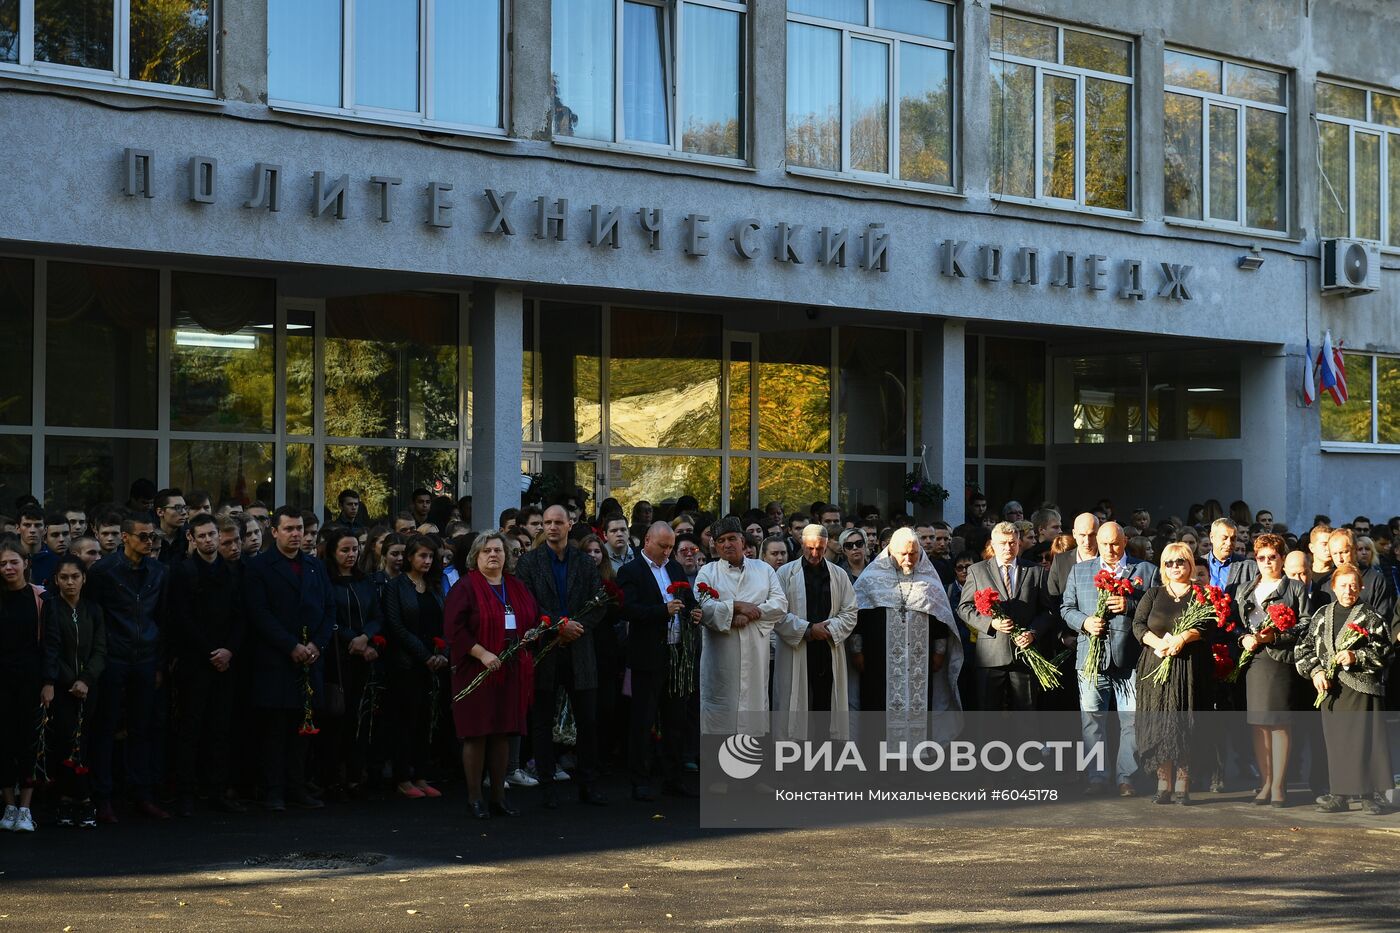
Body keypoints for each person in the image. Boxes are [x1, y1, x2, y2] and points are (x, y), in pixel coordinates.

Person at [242, 506, 335, 811]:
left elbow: (327, 609)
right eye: (290, 529)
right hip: (276, 659)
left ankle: (298, 786)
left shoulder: (314, 566)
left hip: (310, 658)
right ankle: (273, 790)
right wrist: (291, 645)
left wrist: (317, 645)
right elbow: (259, 613)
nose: (296, 535)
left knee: (302, 729)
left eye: (300, 530)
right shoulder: (259, 567)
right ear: (275, 531)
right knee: (275, 730)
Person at [514, 505, 606, 807]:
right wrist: (558, 627)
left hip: (581, 649)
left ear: (570, 524)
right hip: (546, 648)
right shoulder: (529, 562)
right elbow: (527, 604)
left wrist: (576, 628)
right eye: (547, 523)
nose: (551, 527)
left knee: (588, 721)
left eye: (557, 522)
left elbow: (598, 602)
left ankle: (588, 784)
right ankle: (547, 787)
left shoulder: (584, 561)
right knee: (541, 721)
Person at [445, 532, 539, 819]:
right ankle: (475, 798)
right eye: (487, 551)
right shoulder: (465, 587)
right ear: (476, 556)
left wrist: (531, 635)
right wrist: (482, 654)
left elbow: (531, 616)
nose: (493, 555)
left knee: (502, 733)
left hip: (510, 669)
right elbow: (454, 630)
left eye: (498, 550)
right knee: (476, 734)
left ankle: (499, 797)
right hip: (476, 669)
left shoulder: (516, 586)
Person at [1061, 522, 1157, 796]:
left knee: (1132, 720)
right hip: (1091, 657)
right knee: (1092, 720)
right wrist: (1084, 622)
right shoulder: (1080, 571)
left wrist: (1131, 605)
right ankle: (1096, 777)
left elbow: (1159, 610)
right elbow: (1066, 608)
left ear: (1125, 540)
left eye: (1115, 543)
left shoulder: (1146, 571)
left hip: (1129, 657)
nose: (1110, 549)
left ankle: (1126, 776)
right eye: (1104, 544)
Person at [86, 513, 169, 822]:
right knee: (105, 727)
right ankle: (103, 797)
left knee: (142, 728)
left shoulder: (159, 571)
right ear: (125, 537)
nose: (149, 542)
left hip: (146, 657)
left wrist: (159, 662)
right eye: (143, 536)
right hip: (113, 656)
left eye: (153, 537)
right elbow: (95, 616)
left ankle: (141, 794)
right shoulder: (104, 572)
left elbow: (162, 618)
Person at [1296, 565, 1394, 815]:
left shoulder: (1370, 616)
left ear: (1361, 587)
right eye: (1343, 585)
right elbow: (1304, 648)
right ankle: (1339, 794)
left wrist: (1356, 656)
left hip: (1362, 691)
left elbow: (1385, 651)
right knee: (1337, 744)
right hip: (1331, 691)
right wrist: (1315, 672)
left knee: (1365, 743)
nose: (1348, 590)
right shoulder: (1321, 614)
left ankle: (1370, 795)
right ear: (1333, 587)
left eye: (1353, 585)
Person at [166, 513, 245, 817]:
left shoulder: (231, 571)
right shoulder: (183, 572)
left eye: (213, 534)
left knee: (221, 728)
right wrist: (211, 652)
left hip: (226, 662)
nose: (209, 540)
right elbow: (181, 619)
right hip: (196, 663)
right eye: (203, 536)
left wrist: (229, 651)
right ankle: (187, 792)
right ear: (192, 538)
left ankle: (217, 790)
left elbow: (240, 616)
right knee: (191, 728)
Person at [853, 527, 962, 744]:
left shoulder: (929, 579)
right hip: (879, 660)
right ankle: (877, 758)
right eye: (903, 554)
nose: (908, 559)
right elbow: (857, 619)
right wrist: (857, 650)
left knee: (920, 704)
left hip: (919, 661)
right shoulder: (871, 578)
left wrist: (940, 652)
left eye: (913, 554)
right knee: (877, 705)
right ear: (890, 551)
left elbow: (940, 617)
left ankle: (917, 759)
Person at [617, 522, 701, 801]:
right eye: (662, 546)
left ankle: (673, 778)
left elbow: (686, 601)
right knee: (642, 720)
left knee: (675, 719)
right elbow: (628, 609)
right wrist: (661, 610)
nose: (667, 552)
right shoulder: (631, 571)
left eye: (670, 547)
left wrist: (693, 613)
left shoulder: (674, 568)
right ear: (647, 541)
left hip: (676, 654)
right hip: (647, 656)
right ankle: (639, 780)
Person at [1132, 543, 1211, 805]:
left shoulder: (1201, 593)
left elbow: (1209, 624)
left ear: (1190, 564)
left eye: (1180, 562)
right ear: (1163, 567)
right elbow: (1138, 625)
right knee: (1159, 726)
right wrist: (1159, 644)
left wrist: (1184, 638)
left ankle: (1182, 784)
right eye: (1169, 563)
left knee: (1184, 723)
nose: (1175, 567)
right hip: (1156, 665)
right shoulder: (1153, 593)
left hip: (1188, 666)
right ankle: (1163, 783)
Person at [1233, 533, 1307, 807]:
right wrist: (1244, 638)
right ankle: (1264, 782)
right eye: (1261, 557)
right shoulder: (1245, 588)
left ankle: (1278, 786)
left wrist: (1275, 636)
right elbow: (1235, 624)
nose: (1266, 562)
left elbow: (1305, 623)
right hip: (1254, 660)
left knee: (1278, 723)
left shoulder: (1294, 588)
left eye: (1272, 557)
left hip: (1280, 659)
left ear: (1281, 558)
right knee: (1258, 723)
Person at [696, 517, 787, 736]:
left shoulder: (763, 570)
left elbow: (780, 604)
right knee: (720, 715)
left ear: (742, 541)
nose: (727, 544)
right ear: (715, 546)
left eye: (732, 539)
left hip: (756, 651)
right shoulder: (708, 572)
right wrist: (735, 607)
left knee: (753, 713)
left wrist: (749, 615)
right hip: (721, 655)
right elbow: (704, 608)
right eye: (721, 540)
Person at [956, 522, 1053, 713]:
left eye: (1012, 543)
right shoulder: (978, 570)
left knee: (1026, 714)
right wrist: (991, 623)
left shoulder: (1035, 570)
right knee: (988, 714)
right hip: (990, 654)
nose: (1008, 547)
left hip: (1024, 654)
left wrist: (1032, 633)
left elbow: (1047, 611)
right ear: (992, 544)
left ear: (1019, 543)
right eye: (1003, 543)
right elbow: (964, 608)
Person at [773, 524, 858, 739]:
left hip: (828, 646)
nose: (814, 553)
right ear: (802, 544)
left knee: (826, 702)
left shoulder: (839, 575)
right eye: (809, 548)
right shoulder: (785, 573)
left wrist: (828, 630)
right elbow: (777, 612)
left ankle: (824, 752)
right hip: (797, 646)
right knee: (794, 701)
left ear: (827, 545)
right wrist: (809, 629)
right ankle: (793, 753)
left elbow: (850, 611)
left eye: (819, 548)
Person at [40, 554, 106, 828]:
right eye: (64, 577)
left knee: (86, 741)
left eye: (75, 577)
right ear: (56, 580)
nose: (70, 582)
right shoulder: (51, 607)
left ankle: (81, 799)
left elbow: (101, 649)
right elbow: (51, 650)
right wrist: (69, 682)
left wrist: (86, 680)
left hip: (89, 688)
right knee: (66, 741)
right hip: (62, 688)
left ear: (84, 579)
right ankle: (71, 799)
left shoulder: (93, 609)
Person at [380, 535, 448, 799]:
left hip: (432, 665)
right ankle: (402, 777)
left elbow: (444, 622)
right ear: (410, 557)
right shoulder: (396, 586)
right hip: (406, 665)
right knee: (404, 721)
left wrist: (442, 653)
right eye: (422, 556)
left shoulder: (434, 586)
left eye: (431, 557)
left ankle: (421, 774)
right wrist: (424, 655)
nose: (427, 561)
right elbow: (396, 627)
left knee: (425, 722)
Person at [324, 527, 383, 798]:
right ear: (333, 552)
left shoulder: (365, 581)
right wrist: (355, 640)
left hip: (364, 657)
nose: (350, 554)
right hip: (337, 659)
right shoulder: (327, 581)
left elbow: (376, 615)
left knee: (360, 717)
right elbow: (329, 617)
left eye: (354, 549)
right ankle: (331, 773)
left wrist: (366, 637)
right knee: (337, 717)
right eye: (344, 550)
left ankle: (355, 773)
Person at [0, 540, 45, 833]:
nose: (8, 568)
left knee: (30, 742)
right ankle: (9, 805)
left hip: (32, 680)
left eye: (13, 562)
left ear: (26, 563)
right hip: (2, 680)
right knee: (3, 742)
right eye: (3, 563)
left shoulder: (40, 597)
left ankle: (26, 807)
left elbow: (49, 643)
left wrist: (48, 682)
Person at [1318, 529, 1396, 620]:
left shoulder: (1376, 580)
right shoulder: (1324, 584)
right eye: (1335, 553)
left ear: (1355, 549)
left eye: (1344, 552)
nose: (1339, 559)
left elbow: (1384, 617)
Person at [154, 489, 189, 564]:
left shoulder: (189, 536)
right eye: (178, 508)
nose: (184, 512)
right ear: (160, 512)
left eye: (185, 508)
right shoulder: (151, 537)